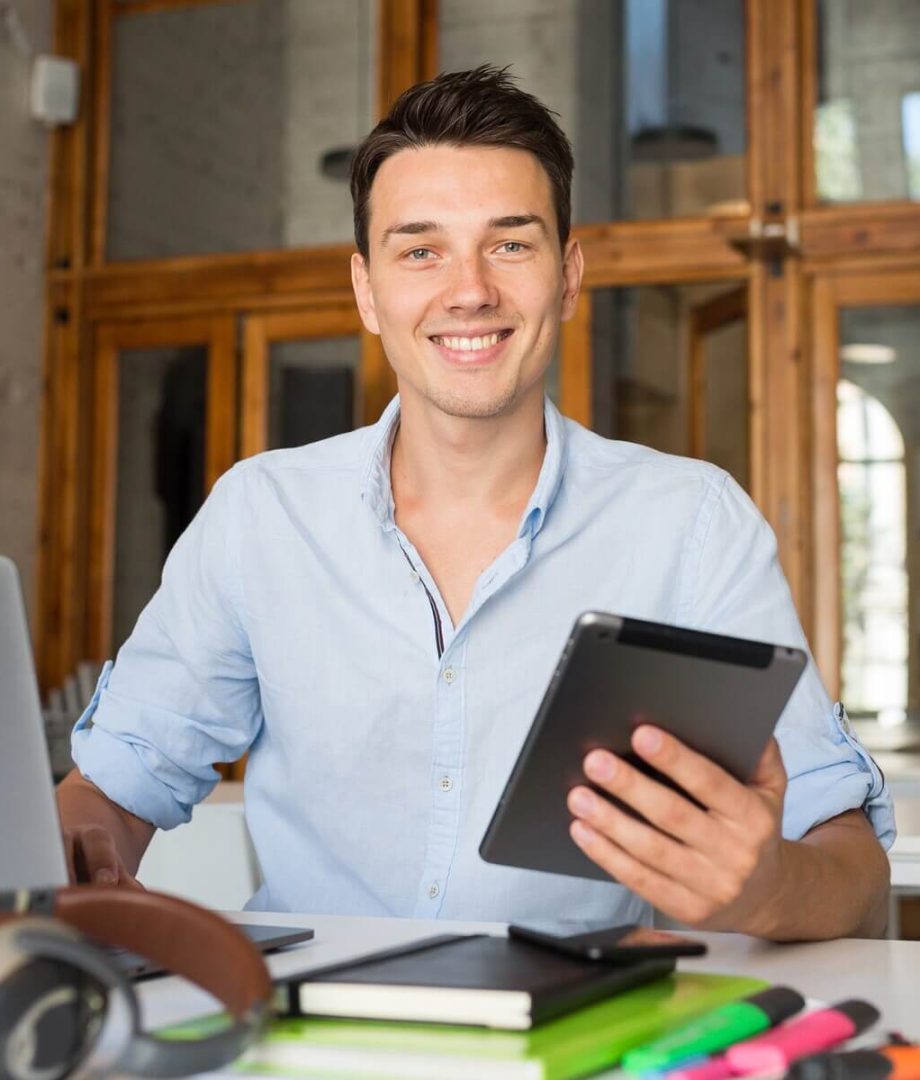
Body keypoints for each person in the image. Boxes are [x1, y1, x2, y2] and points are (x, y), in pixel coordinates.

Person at [58, 66, 893, 940]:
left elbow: (855, 873)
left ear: (569, 277)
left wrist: (762, 887)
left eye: (510, 243)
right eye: (420, 249)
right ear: (367, 290)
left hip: (576, 1056)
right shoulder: (259, 517)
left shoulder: (690, 526)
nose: (469, 290)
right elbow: (113, 786)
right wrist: (73, 856)